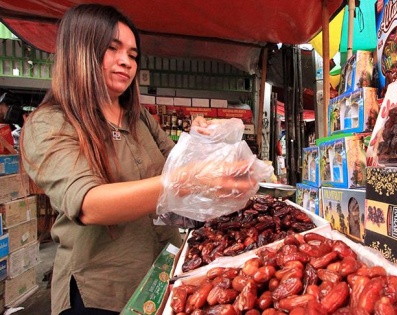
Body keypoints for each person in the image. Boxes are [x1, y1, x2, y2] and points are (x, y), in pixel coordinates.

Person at [20, 4, 254, 314]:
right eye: (112, 49)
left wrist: (201, 141)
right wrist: (185, 180)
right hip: (100, 292)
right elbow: (90, 204)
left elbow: (177, 165)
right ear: (79, 52)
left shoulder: (139, 117)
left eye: (132, 55)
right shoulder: (50, 124)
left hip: (162, 272)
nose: (125, 62)